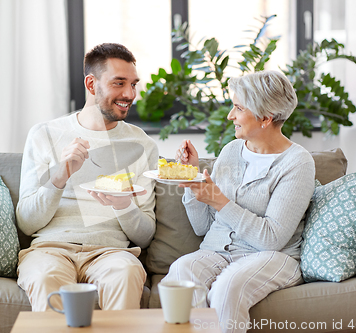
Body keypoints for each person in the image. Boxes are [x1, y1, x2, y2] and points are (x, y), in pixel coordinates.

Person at [163, 70, 315, 332]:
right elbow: (203, 227)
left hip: (271, 256)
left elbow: (272, 238)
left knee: (229, 286)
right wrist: (193, 176)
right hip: (217, 251)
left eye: (238, 108)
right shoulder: (231, 151)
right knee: (180, 272)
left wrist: (221, 201)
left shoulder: (296, 162)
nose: (230, 116)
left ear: (265, 117)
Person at [16, 43, 158, 311]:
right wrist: (60, 175)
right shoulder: (44, 134)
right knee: (45, 277)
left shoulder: (143, 145)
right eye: (119, 83)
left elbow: (145, 236)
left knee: (126, 273)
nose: (130, 94)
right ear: (91, 84)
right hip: (50, 249)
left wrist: (123, 205)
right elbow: (26, 222)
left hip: (111, 253)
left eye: (133, 84)